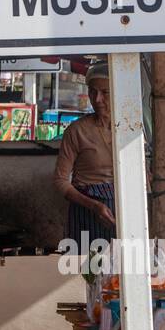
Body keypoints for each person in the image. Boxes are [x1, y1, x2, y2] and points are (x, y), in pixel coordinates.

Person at [53, 62, 119, 248]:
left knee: (123, 270)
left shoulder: (131, 128)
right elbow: (60, 181)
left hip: (123, 213)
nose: (97, 99)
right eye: (92, 92)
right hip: (86, 214)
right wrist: (93, 206)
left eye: (104, 93)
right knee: (87, 271)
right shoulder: (77, 131)